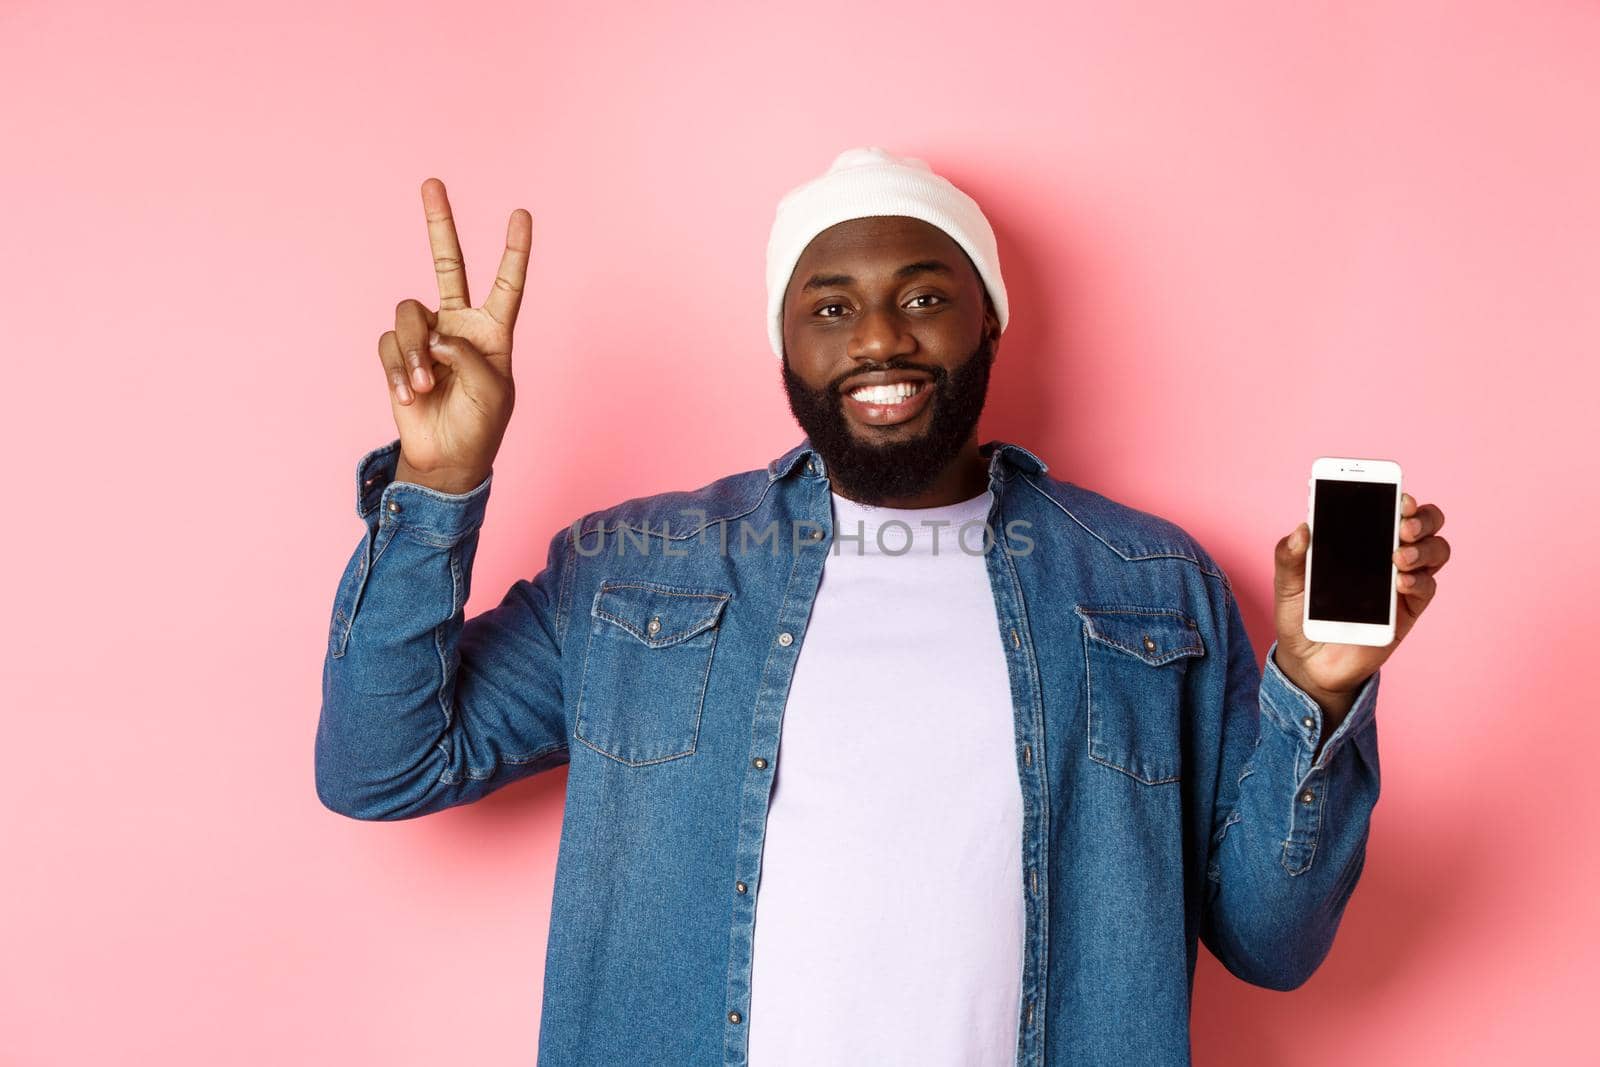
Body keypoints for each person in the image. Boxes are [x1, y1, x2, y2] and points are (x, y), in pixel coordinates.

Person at [315, 147, 1451, 1066]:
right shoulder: (634, 569)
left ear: (989, 322)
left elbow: (1273, 941)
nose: (878, 337)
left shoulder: (1146, 581)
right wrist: (439, 483)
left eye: (923, 296)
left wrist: (1317, 684)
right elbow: (380, 761)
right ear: (783, 344)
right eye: (831, 305)